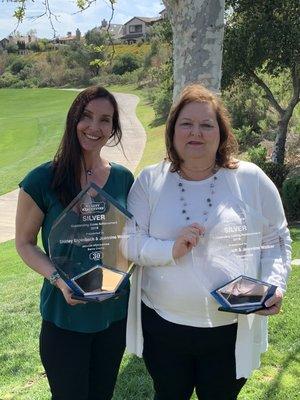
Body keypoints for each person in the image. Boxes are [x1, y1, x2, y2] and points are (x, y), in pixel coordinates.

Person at [126, 84, 291, 400]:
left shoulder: (250, 179)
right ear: (173, 131)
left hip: (229, 331)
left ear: (222, 133)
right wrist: (169, 249)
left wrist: (274, 286)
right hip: (163, 328)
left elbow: (277, 237)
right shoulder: (150, 180)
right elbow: (129, 242)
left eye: (206, 124)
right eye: (186, 124)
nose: (195, 133)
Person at [15, 86, 134, 400]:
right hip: (64, 319)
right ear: (73, 120)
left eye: (105, 120)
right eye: (86, 116)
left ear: (113, 129)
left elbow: (128, 238)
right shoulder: (41, 180)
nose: (94, 127)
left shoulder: (124, 179)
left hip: (113, 315)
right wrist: (58, 279)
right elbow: (25, 244)